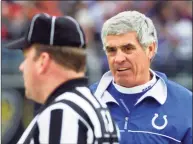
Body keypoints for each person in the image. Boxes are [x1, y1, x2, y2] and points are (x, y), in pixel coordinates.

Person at [5, 13, 120, 144]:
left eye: (26, 58)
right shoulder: (95, 106)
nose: (21, 67)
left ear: (43, 61)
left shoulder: (62, 113)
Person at [89, 10, 192, 144]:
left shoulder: (186, 104)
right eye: (111, 50)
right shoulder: (86, 101)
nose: (118, 59)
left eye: (128, 49)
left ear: (150, 49)